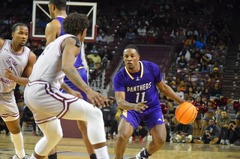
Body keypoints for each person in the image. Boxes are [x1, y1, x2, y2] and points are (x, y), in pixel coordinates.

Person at [24, 12, 110, 159]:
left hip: (31, 93)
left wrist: (69, 90)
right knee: (95, 114)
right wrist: (88, 91)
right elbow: (68, 67)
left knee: (53, 136)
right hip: (43, 91)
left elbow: (53, 73)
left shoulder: (53, 44)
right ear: (84, 31)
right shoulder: (73, 40)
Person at [113, 44, 184, 159]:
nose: (129, 59)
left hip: (152, 107)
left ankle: (142, 156)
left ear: (138, 57)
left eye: (132, 56)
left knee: (160, 139)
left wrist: (181, 101)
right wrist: (133, 106)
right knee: (122, 135)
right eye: (126, 56)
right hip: (132, 109)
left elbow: (164, 88)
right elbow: (120, 102)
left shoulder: (151, 68)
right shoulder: (120, 76)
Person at [45, 1, 96, 159]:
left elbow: (49, 55)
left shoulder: (53, 25)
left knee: (50, 120)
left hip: (63, 74)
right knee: (84, 123)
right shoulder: (77, 24)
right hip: (80, 72)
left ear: (52, 6)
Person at [0, 22, 37, 159]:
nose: (23, 36)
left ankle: (20, 157)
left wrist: (13, 77)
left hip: (7, 95)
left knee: (15, 129)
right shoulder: (2, 44)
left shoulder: (30, 56)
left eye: (26, 34)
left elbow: (29, 81)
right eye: (20, 33)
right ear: (12, 34)